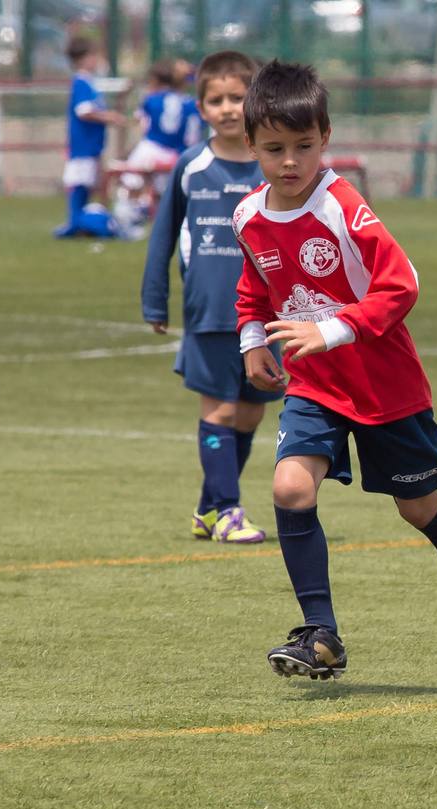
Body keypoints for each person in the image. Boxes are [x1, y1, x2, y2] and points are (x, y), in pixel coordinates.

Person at [233, 60, 437, 688]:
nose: (290, 162)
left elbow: (402, 284)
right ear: (250, 145)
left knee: (417, 507)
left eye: (304, 146)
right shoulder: (249, 218)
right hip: (315, 388)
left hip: (384, 387)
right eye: (275, 148)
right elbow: (254, 288)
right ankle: (319, 632)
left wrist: (328, 330)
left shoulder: (343, 206)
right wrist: (254, 341)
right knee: (289, 489)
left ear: (324, 139)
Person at [140, 51, 279, 545]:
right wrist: (155, 301)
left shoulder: (273, 163)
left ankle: (208, 507)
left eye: (237, 98)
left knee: (249, 412)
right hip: (211, 310)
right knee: (218, 411)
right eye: (215, 99)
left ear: (255, 101)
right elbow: (163, 237)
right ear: (200, 107)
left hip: (269, 317)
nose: (226, 108)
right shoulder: (191, 166)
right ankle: (226, 510)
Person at [54, 35, 126, 239]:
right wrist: (110, 117)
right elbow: (84, 111)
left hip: (90, 146)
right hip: (83, 146)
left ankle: (78, 225)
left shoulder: (88, 83)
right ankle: (77, 224)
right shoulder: (82, 82)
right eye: (94, 56)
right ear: (84, 58)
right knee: (80, 185)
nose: (97, 61)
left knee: (86, 186)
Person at [116, 60, 203, 228]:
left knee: (130, 180)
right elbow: (193, 135)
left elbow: (141, 123)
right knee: (166, 191)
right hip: (178, 154)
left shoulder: (152, 99)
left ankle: (129, 217)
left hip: (151, 148)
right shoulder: (192, 103)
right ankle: (165, 219)